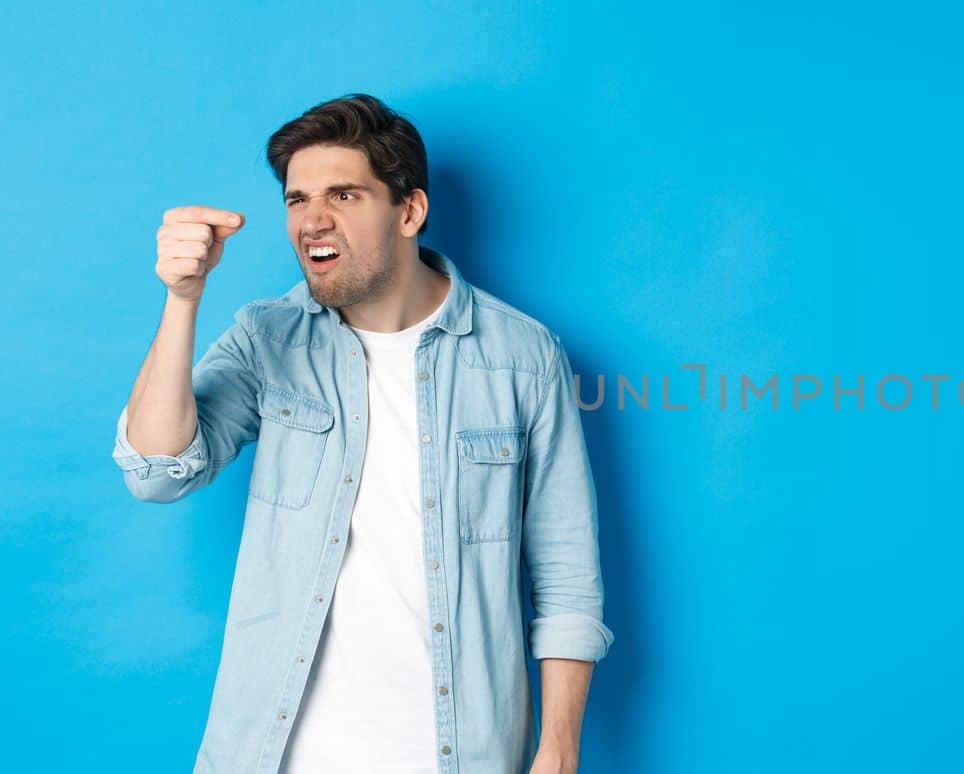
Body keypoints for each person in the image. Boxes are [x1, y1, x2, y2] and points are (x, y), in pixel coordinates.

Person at [110, 93, 613, 774]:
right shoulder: (267, 339)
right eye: (297, 199)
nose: (312, 220)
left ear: (409, 210)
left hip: (458, 753)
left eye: (343, 195)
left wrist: (557, 751)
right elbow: (155, 471)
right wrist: (182, 298)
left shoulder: (523, 357)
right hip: (273, 753)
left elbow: (566, 577)